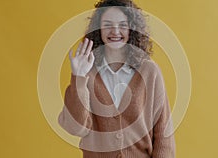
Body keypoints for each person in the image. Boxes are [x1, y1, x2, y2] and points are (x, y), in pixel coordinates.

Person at [58, 0, 175, 157]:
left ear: (132, 29)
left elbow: (164, 136)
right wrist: (78, 77)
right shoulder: (87, 71)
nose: (115, 31)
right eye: (107, 25)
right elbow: (76, 128)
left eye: (122, 25)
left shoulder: (149, 71)